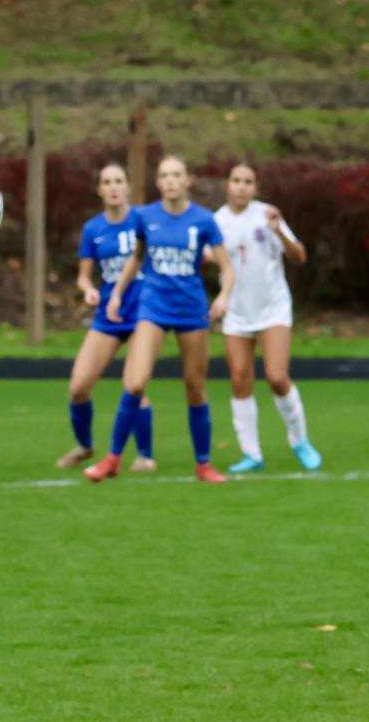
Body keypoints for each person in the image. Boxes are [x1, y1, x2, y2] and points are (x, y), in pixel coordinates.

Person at [85, 155, 234, 484]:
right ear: (158, 182)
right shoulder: (144, 216)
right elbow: (137, 257)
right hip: (152, 307)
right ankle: (111, 459)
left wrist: (223, 297)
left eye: (176, 175)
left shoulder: (204, 220)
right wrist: (119, 294)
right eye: (164, 175)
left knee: (195, 389)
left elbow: (227, 268)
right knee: (135, 383)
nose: (170, 181)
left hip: (191, 310)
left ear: (187, 180)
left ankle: (203, 464)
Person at [213, 164, 321, 473]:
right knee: (240, 379)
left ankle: (300, 439)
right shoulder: (216, 222)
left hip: (273, 307)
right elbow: (210, 258)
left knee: (276, 376)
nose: (242, 187)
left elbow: (299, 257)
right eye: (236, 181)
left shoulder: (268, 215)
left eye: (248, 182)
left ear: (255, 188)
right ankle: (252, 454)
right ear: (227, 185)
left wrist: (279, 233)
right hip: (237, 310)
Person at [58, 163, 157, 472]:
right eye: (107, 182)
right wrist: (88, 290)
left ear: (127, 187)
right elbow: (84, 277)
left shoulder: (143, 221)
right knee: (78, 388)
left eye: (118, 181)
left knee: (134, 386)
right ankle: (86, 446)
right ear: (100, 190)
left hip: (143, 314)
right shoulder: (93, 229)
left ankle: (144, 455)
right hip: (109, 315)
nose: (113, 187)